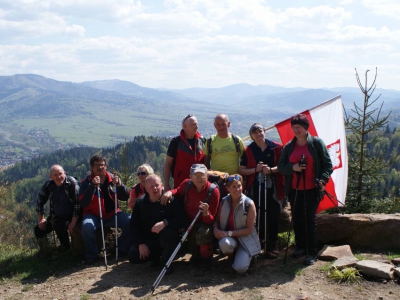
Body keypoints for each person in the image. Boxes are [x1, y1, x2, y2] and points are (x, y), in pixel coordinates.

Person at [277, 114, 333, 265]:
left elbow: (328, 165)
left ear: (305, 127)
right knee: (297, 218)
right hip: (294, 189)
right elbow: (281, 167)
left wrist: (322, 179)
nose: (296, 130)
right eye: (294, 127)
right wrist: (293, 168)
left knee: (309, 219)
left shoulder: (316, 143)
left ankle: (311, 251)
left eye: (298, 127)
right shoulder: (289, 146)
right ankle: (301, 246)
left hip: (312, 189)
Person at [239, 123, 285, 259]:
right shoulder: (249, 150)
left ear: (264, 132)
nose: (258, 134)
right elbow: (241, 170)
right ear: (252, 136)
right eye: (255, 132)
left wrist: (270, 170)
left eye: (260, 131)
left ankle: (272, 244)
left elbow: (283, 166)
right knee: (257, 214)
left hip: (274, 186)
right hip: (256, 186)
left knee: (274, 214)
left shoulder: (277, 147)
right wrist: (256, 170)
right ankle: (259, 242)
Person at [162, 164, 220, 270]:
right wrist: (170, 192)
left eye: (202, 175)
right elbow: (178, 191)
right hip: (189, 223)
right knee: (194, 252)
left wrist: (206, 213)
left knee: (203, 234)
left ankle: (207, 261)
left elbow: (211, 219)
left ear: (207, 176)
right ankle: (197, 256)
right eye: (196, 175)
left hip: (204, 223)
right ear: (190, 177)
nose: (199, 178)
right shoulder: (186, 185)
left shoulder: (213, 191)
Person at [128, 175, 187, 274]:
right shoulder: (140, 202)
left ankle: (166, 260)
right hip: (149, 240)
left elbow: (183, 220)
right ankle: (156, 258)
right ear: (146, 189)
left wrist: (165, 223)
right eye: (151, 186)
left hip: (167, 240)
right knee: (133, 255)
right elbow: (134, 225)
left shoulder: (171, 200)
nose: (154, 188)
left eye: (156, 185)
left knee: (169, 233)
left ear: (162, 186)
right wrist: (140, 244)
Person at [79, 154, 132, 265]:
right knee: (87, 226)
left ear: (106, 166)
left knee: (130, 220)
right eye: (97, 165)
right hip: (93, 215)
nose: (100, 167)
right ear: (92, 167)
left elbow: (125, 196)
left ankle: (122, 249)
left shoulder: (112, 179)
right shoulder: (86, 182)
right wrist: (92, 186)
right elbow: (83, 202)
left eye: (102, 165)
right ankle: (92, 255)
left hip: (112, 214)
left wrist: (119, 185)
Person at [214, 174, 261, 274]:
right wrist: (215, 229)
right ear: (228, 188)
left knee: (240, 269)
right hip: (231, 241)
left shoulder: (249, 204)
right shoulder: (223, 202)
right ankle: (233, 256)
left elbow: (249, 229)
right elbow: (216, 220)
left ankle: (250, 256)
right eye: (233, 187)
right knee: (224, 244)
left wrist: (228, 233)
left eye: (239, 186)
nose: (237, 189)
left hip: (246, 240)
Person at [34, 165, 80, 252]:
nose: (58, 177)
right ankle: (45, 251)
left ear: (65, 173)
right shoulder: (49, 185)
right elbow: (40, 201)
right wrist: (41, 219)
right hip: (56, 216)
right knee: (38, 230)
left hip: (72, 215)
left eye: (60, 174)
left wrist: (73, 222)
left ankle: (65, 248)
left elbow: (77, 204)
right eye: (55, 175)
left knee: (59, 225)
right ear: (51, 176)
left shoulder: (71, 183)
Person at [164, 114, 205, 191]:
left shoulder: (202, 141)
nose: (196, 127)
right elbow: (168, 164)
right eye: (193, 125)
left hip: (200, 185)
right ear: (185, 126)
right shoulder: (176, 142)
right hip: (181, 186)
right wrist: (166, 184)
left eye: (197, 124)